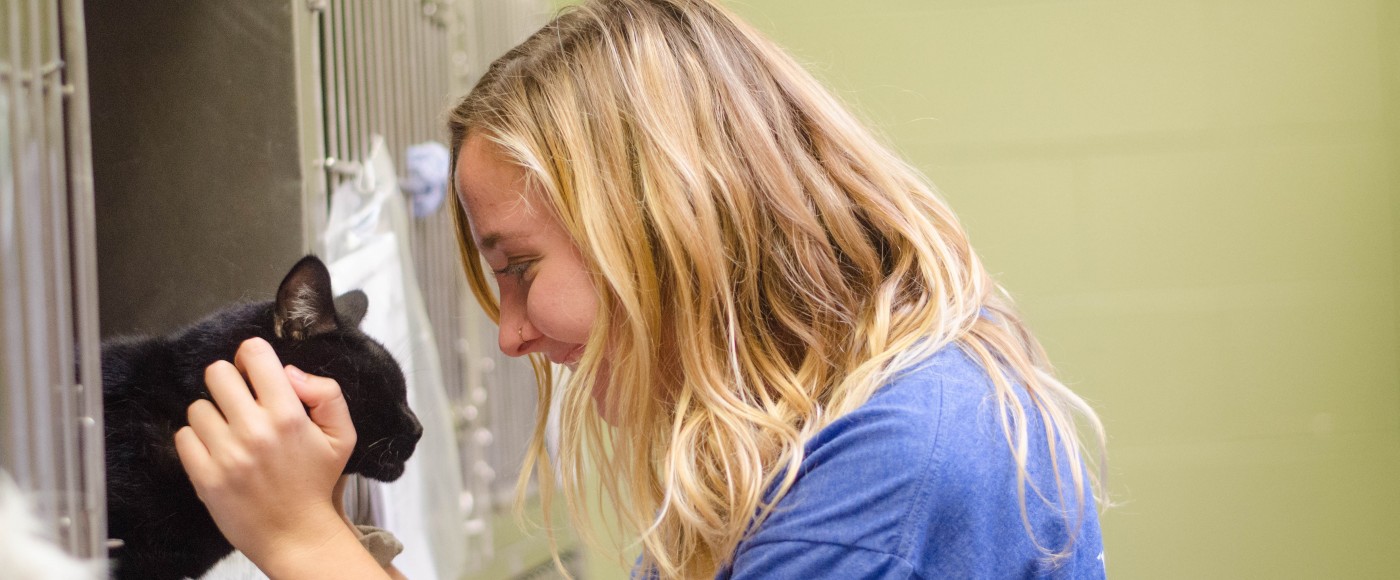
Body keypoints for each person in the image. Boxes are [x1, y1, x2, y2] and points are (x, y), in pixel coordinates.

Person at [176, 0, 1108, 578]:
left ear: (660, 224)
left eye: (521, 269)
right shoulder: (821, 436)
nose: (510, 336)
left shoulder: (893, 465)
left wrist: (307, 545)